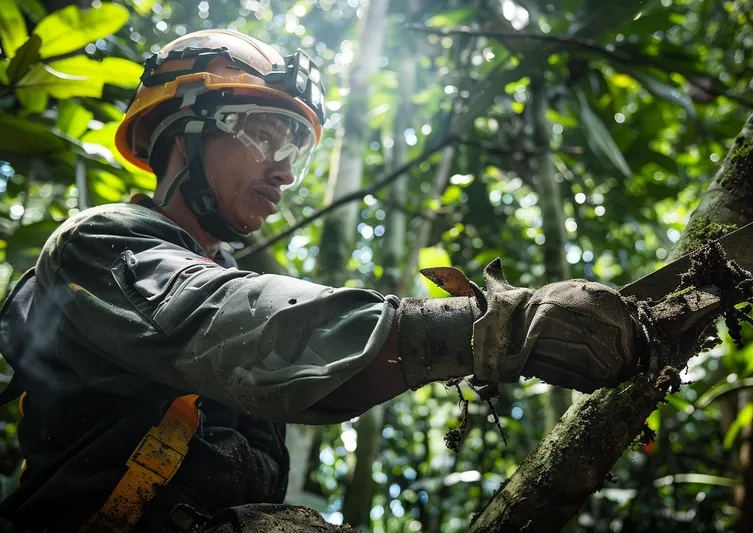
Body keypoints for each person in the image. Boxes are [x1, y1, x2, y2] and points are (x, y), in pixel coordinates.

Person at [0, 30, 645, 533]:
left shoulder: (232, 281)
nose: (282, 171)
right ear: (182, 131)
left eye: (294, 150)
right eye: (262, 135)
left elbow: (299, 369)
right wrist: (485, 328)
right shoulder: (98, 243)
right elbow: (229, 323)